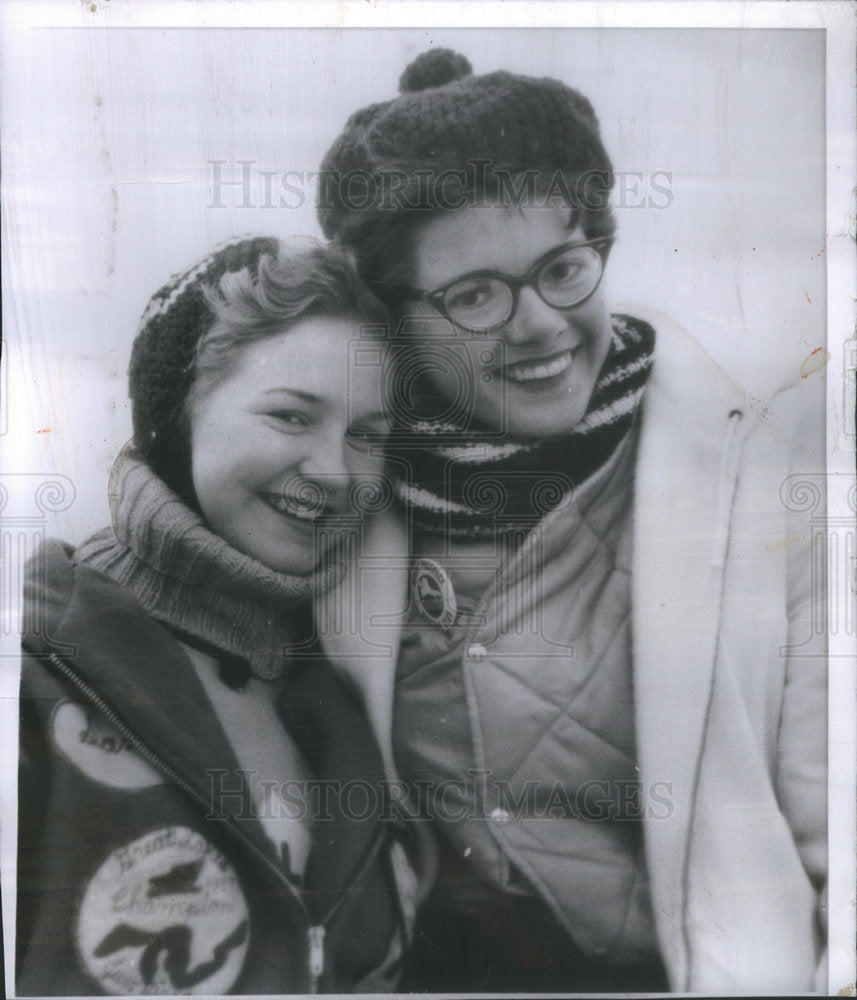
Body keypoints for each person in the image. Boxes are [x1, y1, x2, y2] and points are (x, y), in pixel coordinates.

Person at [316, 49, 828, 993]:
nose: (540, 325)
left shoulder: (761, 476)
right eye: (474, 295)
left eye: (563, 267)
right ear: (395, 321)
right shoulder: (341, 499)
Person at [16, 236, 425, 995]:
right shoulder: (34, 664)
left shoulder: (347, 689)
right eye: (292, 417)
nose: (335, 470)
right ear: (178, 414)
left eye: (365, 436)